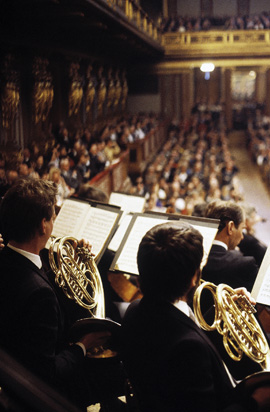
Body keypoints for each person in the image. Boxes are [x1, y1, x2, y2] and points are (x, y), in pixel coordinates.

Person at [121, 221, 270, 412]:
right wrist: (255, 402)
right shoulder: (190, 348)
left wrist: (224, 311)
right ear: (194, 277)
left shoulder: (134, 310)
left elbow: (186, 326)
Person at [0, 178, 120, 410]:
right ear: (43, 226)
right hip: (43, 397)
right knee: (116, 371)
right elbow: (47, 372)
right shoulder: (40, 294)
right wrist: (83, 345)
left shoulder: (7, 260)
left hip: (10, 377)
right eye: (54, 218)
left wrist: (77, 263)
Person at [202, 199, 258, 292]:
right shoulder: (245, 264)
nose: (242, 236)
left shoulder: (192, 254)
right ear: (230, 227)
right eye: (242, 229)